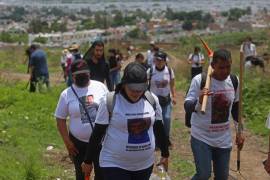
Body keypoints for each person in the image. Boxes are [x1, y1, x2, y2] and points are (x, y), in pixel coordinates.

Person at [81, 62, 169, 180]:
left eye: (140, 89)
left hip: (144, 165)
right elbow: (97, 133)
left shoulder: (152, 100)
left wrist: (165, 154)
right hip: (114, 164)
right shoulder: (110, 101)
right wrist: (88, 160)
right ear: (123, 84)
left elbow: (158, 127)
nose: (136, 93)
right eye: (132, 88)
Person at [184, 49, 245, 180]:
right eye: (221, 67)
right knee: (203, 174)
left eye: (228, 67)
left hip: (223, 139)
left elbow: (236, 108)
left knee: (222, 177)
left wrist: (240, 132)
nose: (225, 71)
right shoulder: (200, 80)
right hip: (201, 137)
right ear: (212, 66)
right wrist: (198, 101)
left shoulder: (234, 80)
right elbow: (187, 105)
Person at [55, 60, 108, 180]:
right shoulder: (66, 94)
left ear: (89, 73)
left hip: (101, 141)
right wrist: (68, 143)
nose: (82, 76)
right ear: (72, 76)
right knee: (82, 175)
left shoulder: (100, 87)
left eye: (85, 73)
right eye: (79, 74)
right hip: (78, 144)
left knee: (102, 174)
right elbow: (60, 119)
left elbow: (110, 109)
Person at [148, 51, 176, 147]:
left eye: (161, 60)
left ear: (165, 61)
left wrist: (174, 96)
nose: (158, 62)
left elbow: (172, 84)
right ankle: (156, 140)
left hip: (166, 99)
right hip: (154, 101)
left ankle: (166, 138)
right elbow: (145, 84)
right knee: (156, 120)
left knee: (167, 118)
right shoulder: (150, 71)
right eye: (156, 60)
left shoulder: (169, 70)